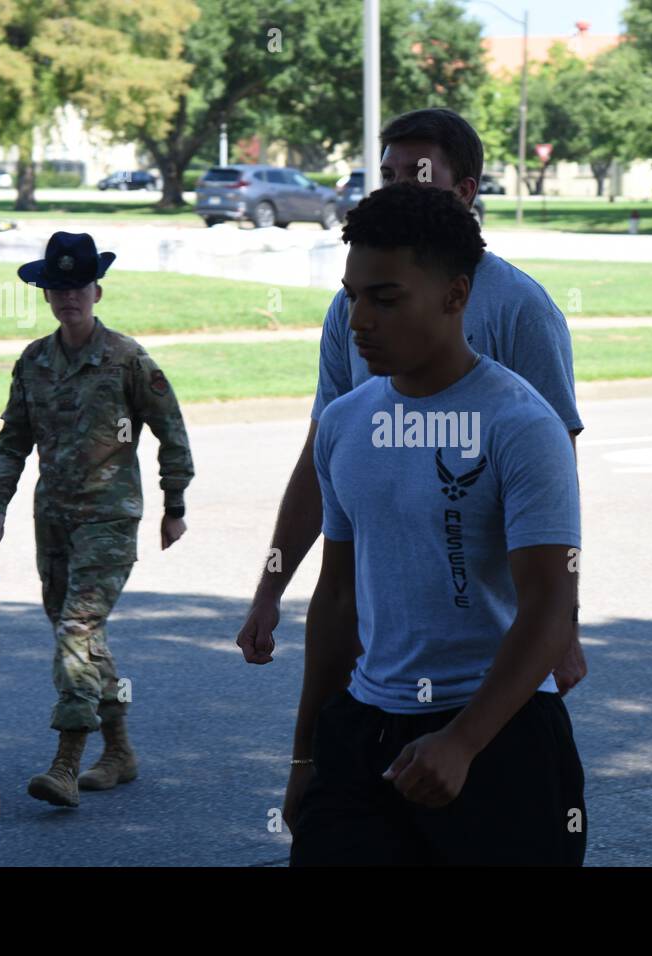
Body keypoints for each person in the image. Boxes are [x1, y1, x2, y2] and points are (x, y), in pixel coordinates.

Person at [235, 108, 587, 695]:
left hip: (489, 644)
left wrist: (562, 621)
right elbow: (321, 454)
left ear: (465, 191)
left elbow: (558, 476)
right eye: (388, 176)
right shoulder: (351, 311)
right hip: (378, 636)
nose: (397, 190)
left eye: (415, 175)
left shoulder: (521, 307)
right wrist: (270, 589)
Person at [286, 183, 585, 865]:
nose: (360, 319)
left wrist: (463, 740)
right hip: (364, 733)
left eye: (385, 298)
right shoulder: (345, 423)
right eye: (351, 296)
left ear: (455, 296)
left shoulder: (520, 425)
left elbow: (549, 605)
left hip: (501, 734)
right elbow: (335, 601)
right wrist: (306, 755)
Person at [0, 231, 194, 808]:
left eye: (77, 286)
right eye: (58, 287)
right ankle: (120, 751)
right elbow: (13, 437)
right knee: (81, 635)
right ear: (46, 294)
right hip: (53, 521)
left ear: (96, 289)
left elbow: (170, 429)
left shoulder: (126, 358)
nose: (68, 296)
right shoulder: (33, 362)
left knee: (77, 629)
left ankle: (66, 763)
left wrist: (174, 505)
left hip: (109, 518)